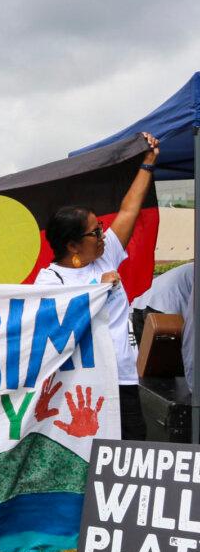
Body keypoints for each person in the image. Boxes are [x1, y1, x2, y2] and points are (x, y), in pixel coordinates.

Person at [34, 132, 159, 440]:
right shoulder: (49, 281)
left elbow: (129, 210)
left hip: (123, 380)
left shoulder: (107, 256)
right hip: (80, 386)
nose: (104, 235)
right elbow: (52, 329)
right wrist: (95, 292)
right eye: (95, 232)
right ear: (73, 245)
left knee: (132, 457)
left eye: (101, 228)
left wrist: (147, 163)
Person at [130, 261, 192, 343]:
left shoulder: (190, 268)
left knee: (145, 353)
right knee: (171, 353)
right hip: (162, 308)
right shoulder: (193, 270)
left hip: (140, 304)